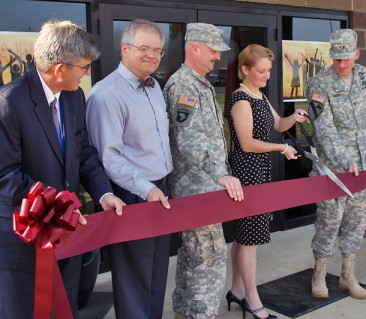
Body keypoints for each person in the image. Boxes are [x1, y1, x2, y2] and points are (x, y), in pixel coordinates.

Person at [0, 20, 124, 318]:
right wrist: (59, 206)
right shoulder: (9, 102)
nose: (87, 73)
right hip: (23, 240)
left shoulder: (74, 96)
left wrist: (104, 193)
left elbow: (84, 154)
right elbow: (6, 176)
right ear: (59, 68)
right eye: (83, 67)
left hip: (66, 233)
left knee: (64, 309)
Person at [86, 19, 173, 318]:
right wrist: (147, 188)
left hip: (158, 189)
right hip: (132, 193)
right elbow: (108, 159)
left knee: (156, 273)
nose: (152, 55)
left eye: (157, 50)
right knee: (134, 280)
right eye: (144, 48)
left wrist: (159, 186)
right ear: (124, 49)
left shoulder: (154, 86)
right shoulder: (107, 94)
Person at [163, 22, 244, 319]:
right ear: (194, 47)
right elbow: (190, 140)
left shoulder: (198, 82)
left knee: (191, 256)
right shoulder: (183, 85)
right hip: (197, 187)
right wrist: (219, 173)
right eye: (212, 50)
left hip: (204, 186)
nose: (217, 58)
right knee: (208, 258)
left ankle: (183, 313)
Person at [225, 44, 308, 319]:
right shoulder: (240, 100)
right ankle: (252, 299)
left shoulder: (258, 95)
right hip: (247, 173)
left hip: (259, 173)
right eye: (261, 71)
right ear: (245, 69)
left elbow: (278, 125)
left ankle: (237, 291)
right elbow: (247, 144)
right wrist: (281, 149)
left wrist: (293, 117)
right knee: (250, 241)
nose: (266, 75)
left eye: (269, 70)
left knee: (244, 238)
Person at [306, 28, 366, 300]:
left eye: (347, 58)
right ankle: (319, 272)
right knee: (329, 222)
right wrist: (346, 158)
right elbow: (324, 130)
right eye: (337, 58)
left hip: (360, 167)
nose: (341, 64)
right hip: (333, 170)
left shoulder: (363, 75)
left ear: (357, 55)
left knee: (355, 221)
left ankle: (347, 274)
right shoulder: (319, 84)